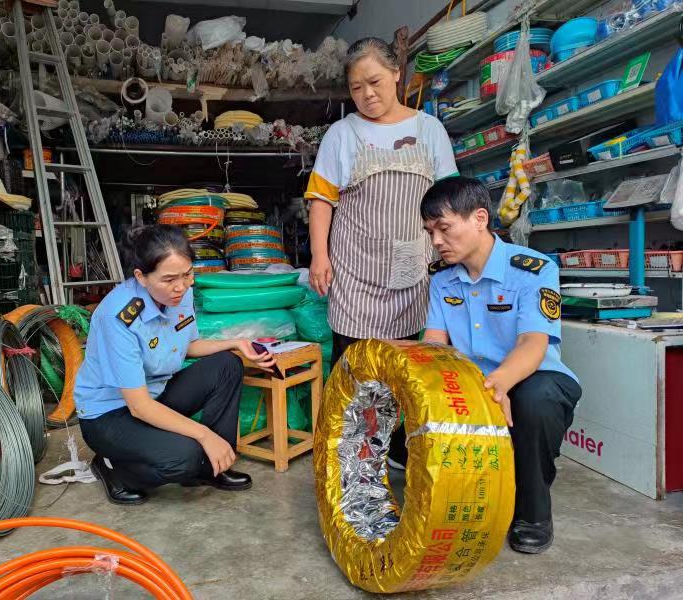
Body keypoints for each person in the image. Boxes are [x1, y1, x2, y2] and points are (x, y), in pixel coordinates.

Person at [396, 176, 582, 554]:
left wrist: (496, 386)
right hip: (472, 381)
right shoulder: (443, 279)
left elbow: (533, 344)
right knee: (404, 442)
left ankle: (533, 513)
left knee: (535, 402)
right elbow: (435, 344)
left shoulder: (533, 269)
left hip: (533, 376)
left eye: (444, 228)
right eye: (430, 232)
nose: (436, 241)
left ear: (480, 218)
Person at [74, 224, 276, 505]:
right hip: (111, 416)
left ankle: (213, 467)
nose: (181, 286)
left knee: (227, 365)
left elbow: (187, 345)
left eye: (187, 274)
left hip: (155, 394)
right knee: (186, 457)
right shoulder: (118, 317)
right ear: (141, 277)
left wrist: (235, 343)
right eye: (169, 279)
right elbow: (139, 406)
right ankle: (113, 469)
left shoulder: (180, 293)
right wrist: (204, 435)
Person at [305, 36, 459, 369]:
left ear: (396, 73)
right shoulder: (341, 133)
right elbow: (320, 201)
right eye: (356, 87)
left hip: (413, 270)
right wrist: (319, 255)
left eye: (374, 82)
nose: (367, 94)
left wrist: (452, 253)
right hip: (355, 273)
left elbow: (449, 199)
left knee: (406, 370)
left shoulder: (429, 129)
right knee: (354, 370)